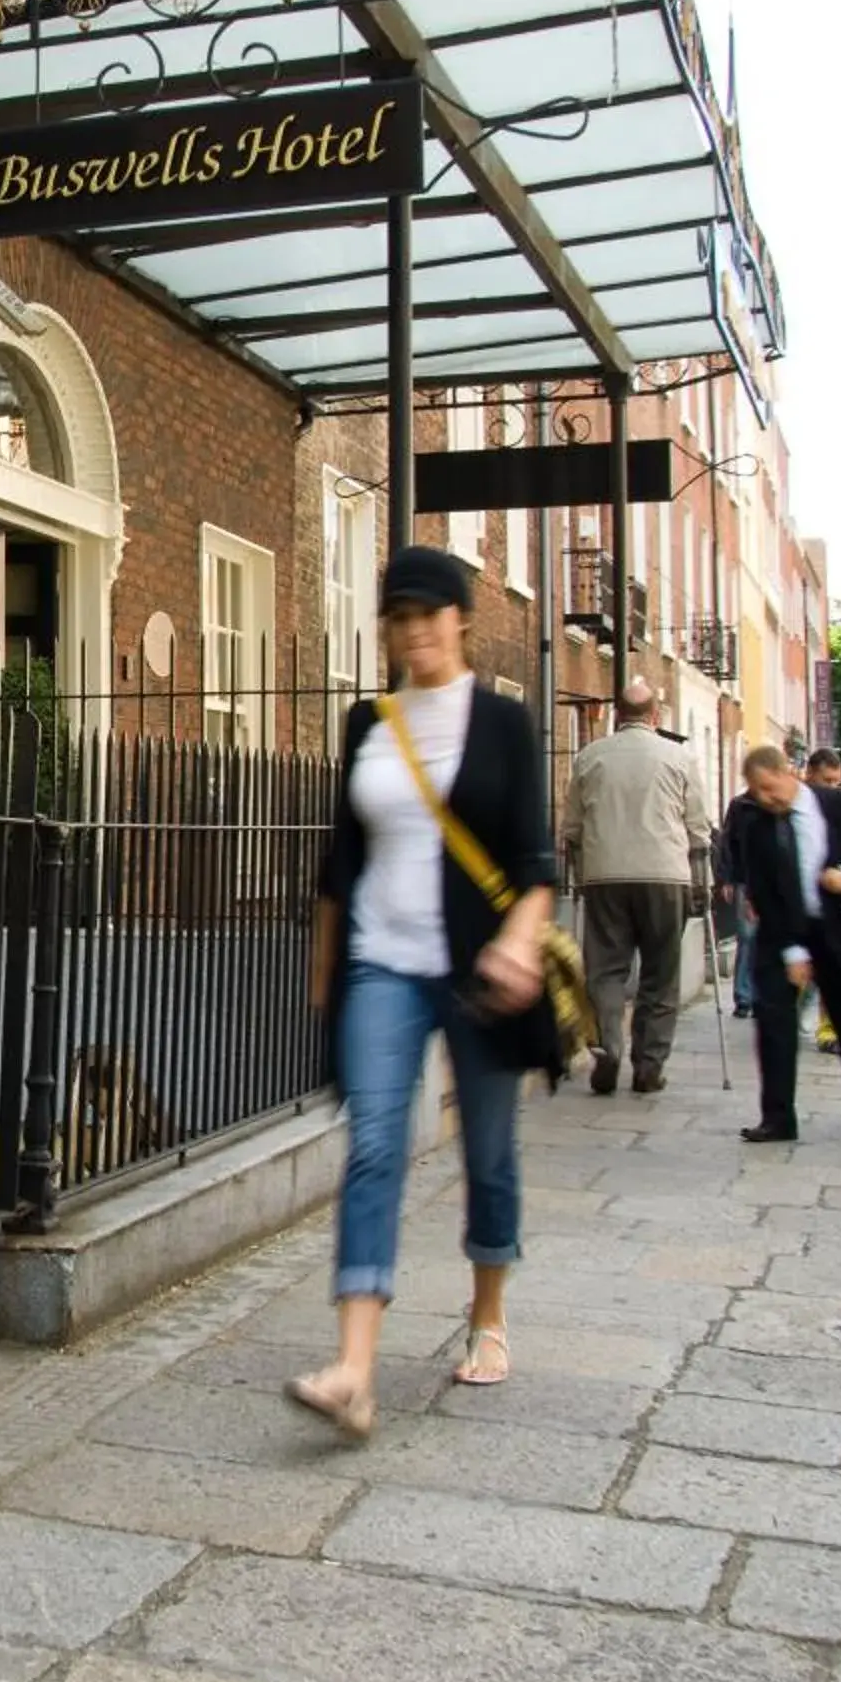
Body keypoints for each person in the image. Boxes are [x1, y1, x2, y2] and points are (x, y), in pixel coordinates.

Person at [287, 546, 555, 1440]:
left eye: (428, 615)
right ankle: (354, 1371)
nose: (414, 633)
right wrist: (324, 975)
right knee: (374, 1148)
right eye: (398, 618)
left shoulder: (504, 724)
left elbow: (535, 862)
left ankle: (488, 1311)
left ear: (461, 618)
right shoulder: (369, 721)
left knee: (488, 1152)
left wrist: (517, 941)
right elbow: (342, 856)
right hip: (380, 964)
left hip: (480, 975)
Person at [562, 677, 712, 1095]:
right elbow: (698, 828)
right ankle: (649, 1065)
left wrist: (580, 874)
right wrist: (703, 884)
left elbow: (572, 827)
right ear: (655, 716)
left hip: (606, 875)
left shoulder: (589, 757)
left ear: (616, 715)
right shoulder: (680, 758)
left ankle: (608, 1045)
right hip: (666, 876)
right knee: (661, 975)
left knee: (605, 971)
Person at [737, 744, 841, 1142]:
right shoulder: (756, 825)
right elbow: (762, 891)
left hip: (835, 928)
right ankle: (777, 1118)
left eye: (769, 787)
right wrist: (792, 950)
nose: (765, 798)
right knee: (773, 1020)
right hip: (782, 931)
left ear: (787, 773)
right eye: (756, 791)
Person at [807, 750, 841, 1054]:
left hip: (832, 898)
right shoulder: (794, 805)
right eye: (826, 781)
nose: (832, 788)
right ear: (810, 775)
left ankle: (829, 1029)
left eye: (836, 781)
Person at [715, 779, 764, 1018]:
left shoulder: (776, 803)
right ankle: (744, 997)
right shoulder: (740, 805)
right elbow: (727, 843)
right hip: (745, 879)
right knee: (747, 937)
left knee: (765, 940)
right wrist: (726, 878)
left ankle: (761, 996)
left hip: (769, 880)